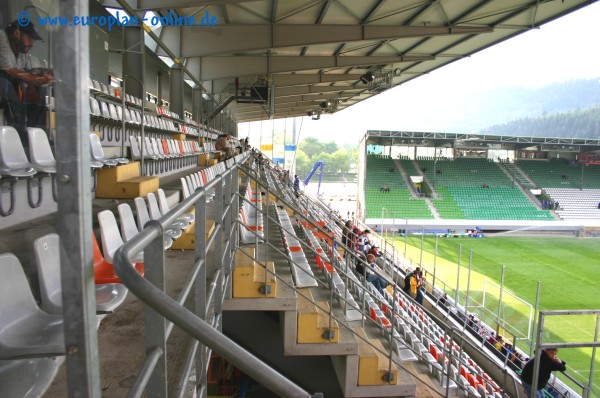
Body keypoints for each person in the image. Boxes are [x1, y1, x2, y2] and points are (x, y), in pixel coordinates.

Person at [0, 20, 53, 148]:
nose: (32, 44)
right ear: (17, 32)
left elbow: (24, 71)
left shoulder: (21, 50)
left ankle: (35, 135)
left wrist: (40, 79)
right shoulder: (2, 37)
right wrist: (33, 79)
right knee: (6, 84)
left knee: (38, 92)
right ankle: (17, 139)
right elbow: (8, 69)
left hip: (9, 82)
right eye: (29, 38)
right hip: (3, 80)